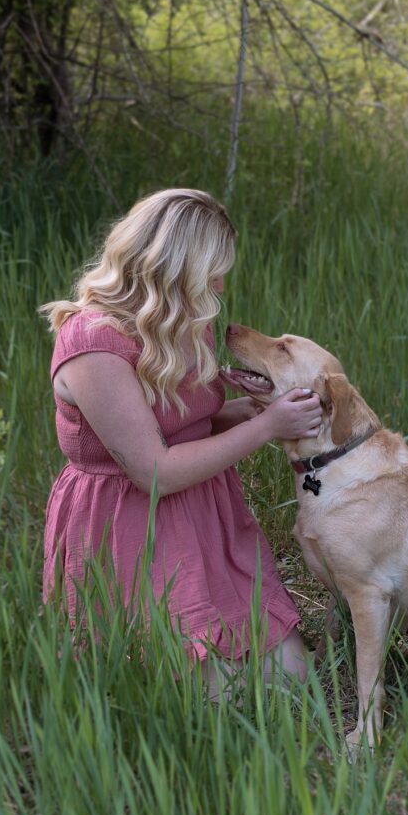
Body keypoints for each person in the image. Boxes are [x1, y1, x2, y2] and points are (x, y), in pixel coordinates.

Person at [40, 188, 322, 690]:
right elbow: (156, 472)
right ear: (172, 268)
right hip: (128, 526)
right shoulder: (94, 346)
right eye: (211, 269)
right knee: (200, 692)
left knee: (292, 677)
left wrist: (253, 407)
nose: (219, 282)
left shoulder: (183, 322)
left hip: (204, 515)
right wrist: (266, 427)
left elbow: (188, 427)